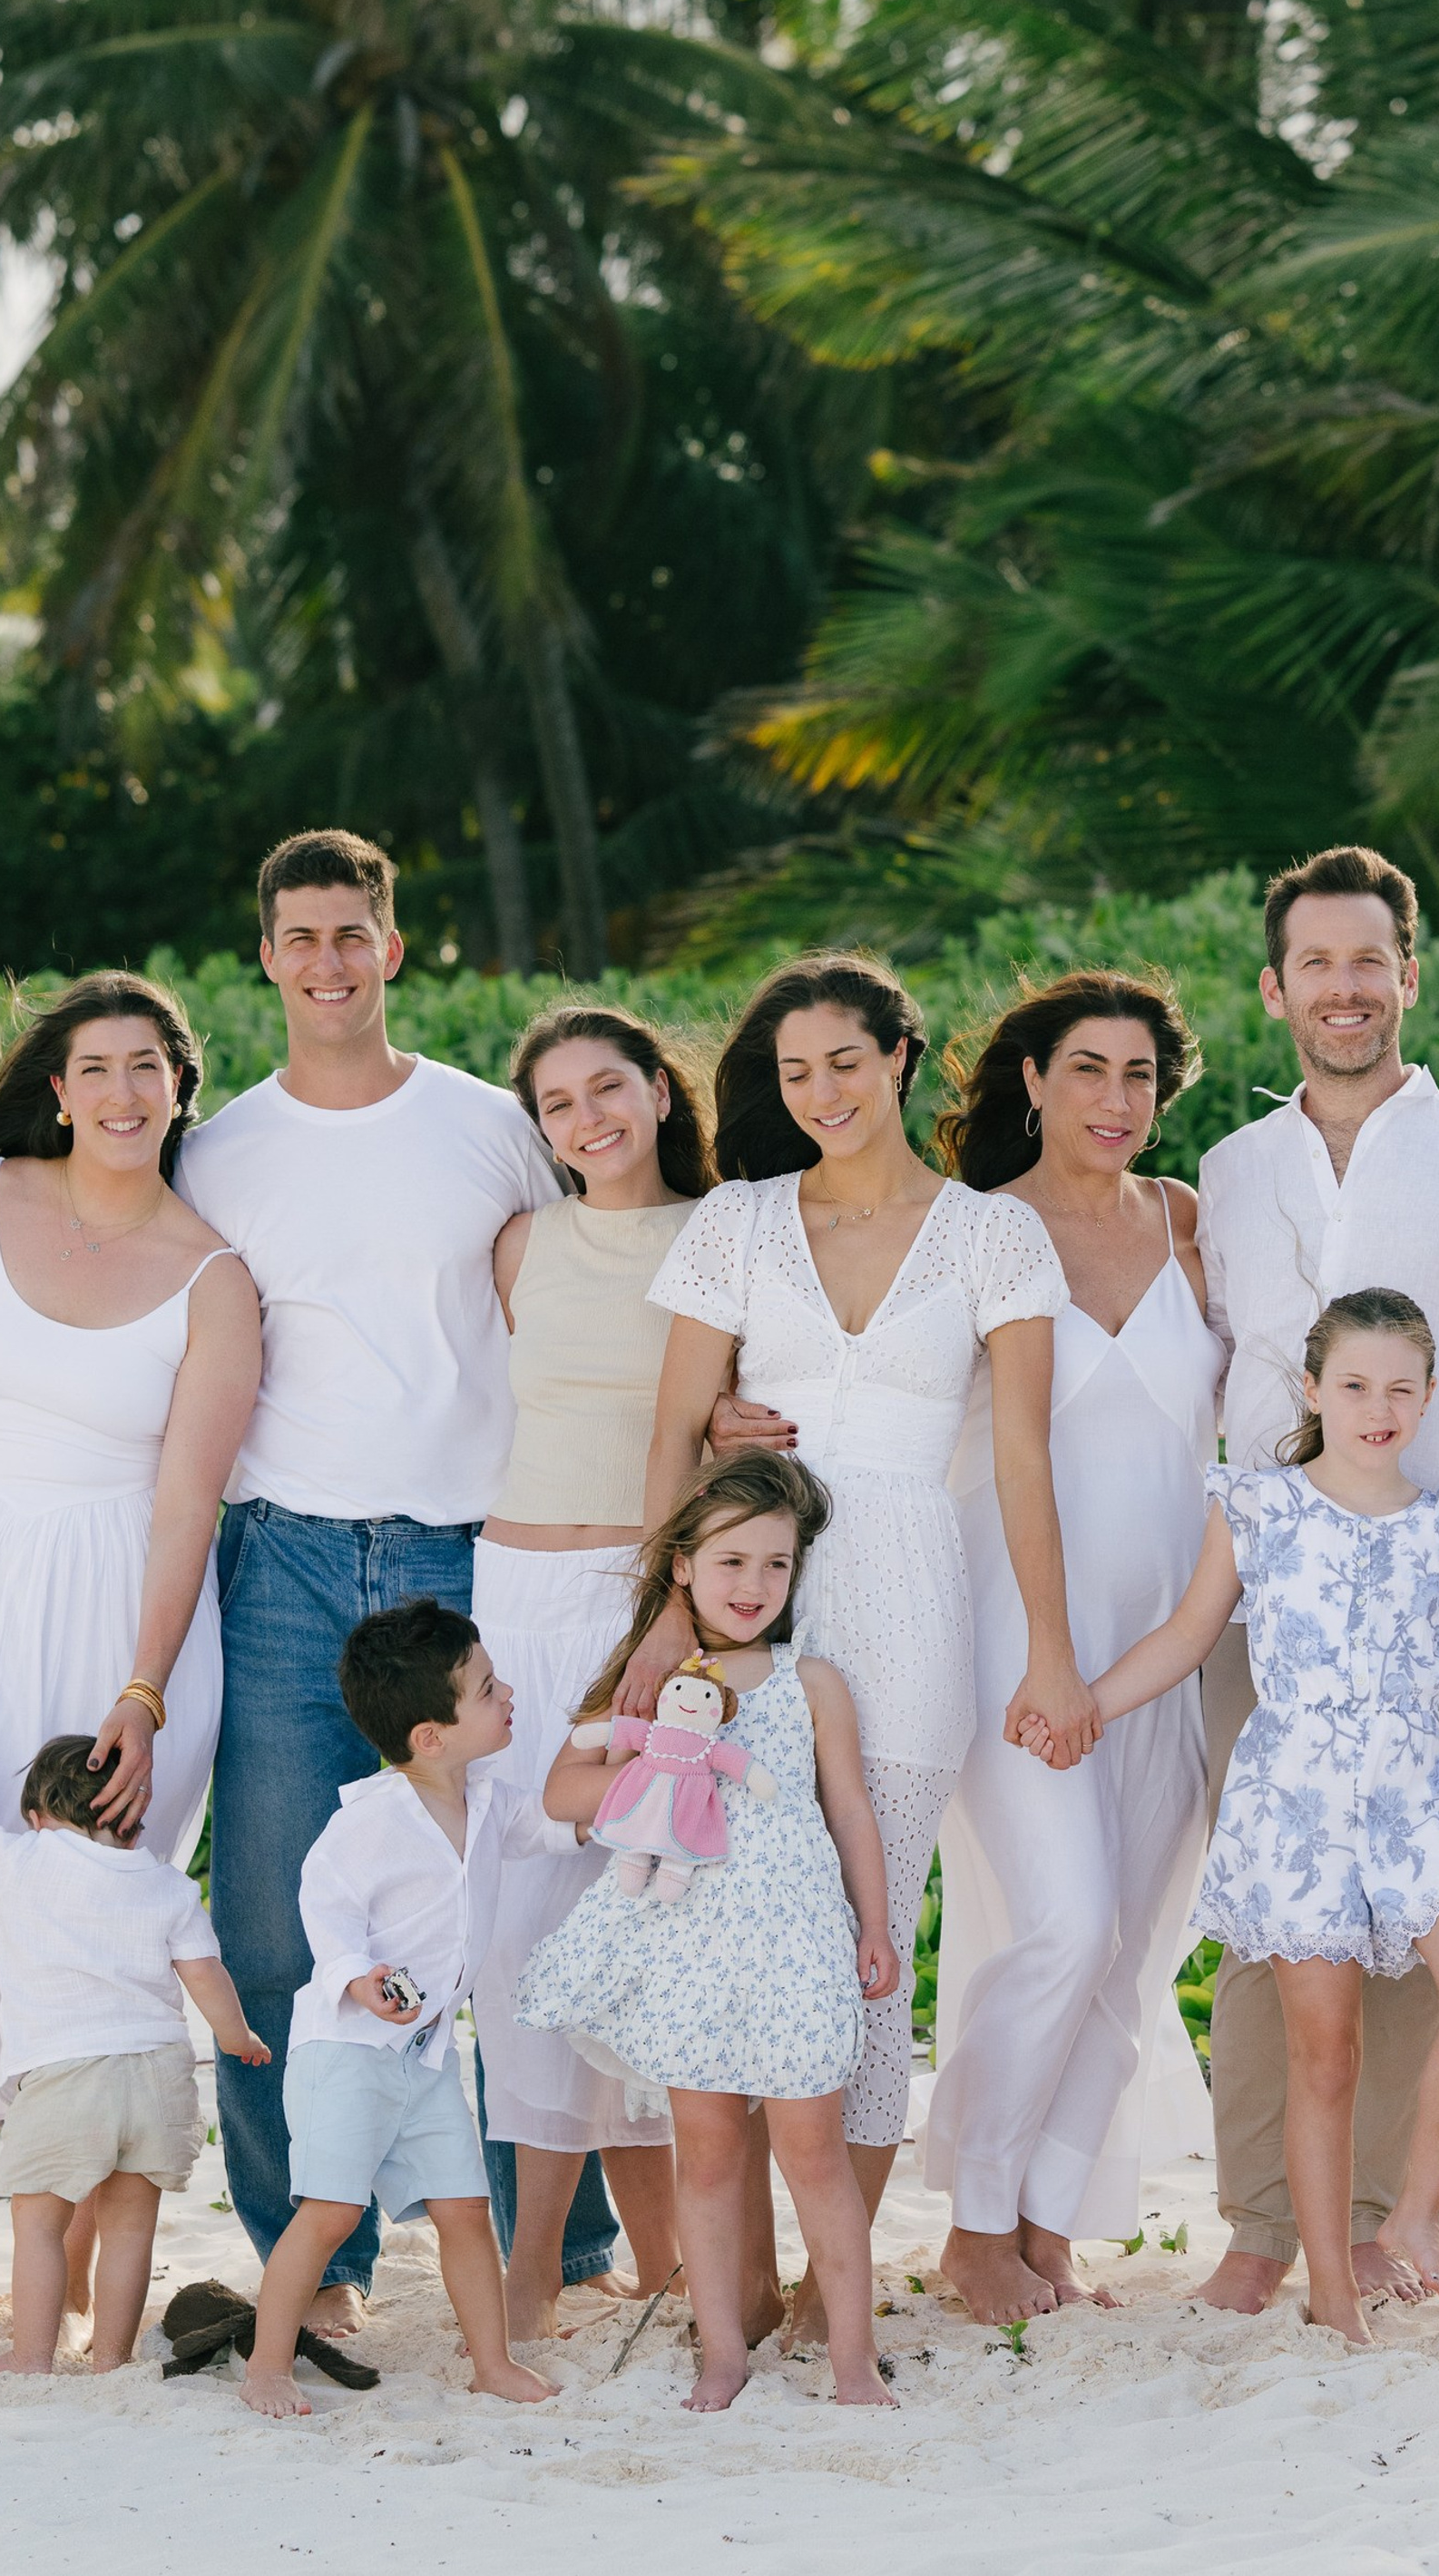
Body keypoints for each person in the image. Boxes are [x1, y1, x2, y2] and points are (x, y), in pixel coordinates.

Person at [640, 953, 1080, 2326]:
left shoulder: (993, 1237)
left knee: (865, 1944)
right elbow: (672, 1432)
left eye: (845, 1059)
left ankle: (831, 2279)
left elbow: (1021, 1462)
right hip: (744, 1595)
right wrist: (664, 1630)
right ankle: (741, 2278)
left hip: (903, 1595)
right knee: (724, 1925)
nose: (822, 1090)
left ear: (901, 1056)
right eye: (794, 1071)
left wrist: (1053, 1652)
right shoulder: (734, 1223)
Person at [1189, 847, 1439, 2314]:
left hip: (1438, 1585)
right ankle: (1256, 2224)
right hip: (1265, 1596)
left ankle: (1377, 2218)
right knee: (1273, 1916)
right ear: (1275, 986)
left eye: (1371, 963)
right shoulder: (1228, 1174)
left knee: (1432, 1923)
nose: (1344, 990)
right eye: (1318, 965)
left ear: (1409, 977)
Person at [174, 829, 562, 2334]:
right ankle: (315, 2263)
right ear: (265, 958)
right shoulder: (221, 1150)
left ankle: (549, 2253)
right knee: (278, 1919)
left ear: (395, 949)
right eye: (298, 938)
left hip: (463, 1557)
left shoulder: (486, 1127)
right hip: (280, 1558)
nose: (327, 961)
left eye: (353, 934)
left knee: (506, 1907)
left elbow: (575, 1302)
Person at [0, 973, 259, 2340]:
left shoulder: (215, 1274)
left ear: (178, 1088)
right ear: (57, 1087)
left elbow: (185, 1503)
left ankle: (80, 2278)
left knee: (100, 1948)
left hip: (132, 1632)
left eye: (147, 1066)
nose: (121, 1091)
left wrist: (145, 1690)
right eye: (95, 1067)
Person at [1041, 1289, 1439, 2346]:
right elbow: (1183, 1635)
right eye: (1353, 1385)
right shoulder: (1256, 1507)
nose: (1377, 1406)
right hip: (1293, 1800)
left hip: (1416, 1791)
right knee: (1325, 2051)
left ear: (1432, 1396)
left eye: (1401, 1387)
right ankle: (1333, 2296)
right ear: (1312, 1389)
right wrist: (1088, 1698)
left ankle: (1414, 2211)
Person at [923, 973, 1222, 2319]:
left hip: (1173, 1634)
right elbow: (975, 1432)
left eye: (1141, 1076)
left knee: (1136, 1944)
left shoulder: (1195, 1227)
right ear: (1031, 1081)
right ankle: (974, 2224)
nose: (1117, 1100)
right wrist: (1050, 1652)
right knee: (1061, 1918)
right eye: (1088, 1071)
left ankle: (1046, 2227)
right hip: (1018, 1630)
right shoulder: (975, 1233)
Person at [520, 1453, 897, 2412]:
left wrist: (878, 1923)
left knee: (813, 2150)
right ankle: (721, 2347)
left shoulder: (810, 1679)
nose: (754, 1585)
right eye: (731, 1561)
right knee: (710, 2150)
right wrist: (662, 1777)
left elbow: (849, 1808)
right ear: (681, 1564)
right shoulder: (657, 1683)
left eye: (775, 1563)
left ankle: (852, 2354)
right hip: (691, 1945)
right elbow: (563, 1789)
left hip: (796, 1941)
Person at [468, 1004, 705, 2330]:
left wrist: (673, 1604)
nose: (587, 1119)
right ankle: (537, 2266)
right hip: (517, 1596)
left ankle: (675, 2257)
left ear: (659, 1092)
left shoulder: (725, 1232)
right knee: (521, 1934)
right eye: (557, 1103)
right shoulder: (520, 1244)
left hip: (646, 1594)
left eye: (607, 1088)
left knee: (642, 1919)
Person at [243, 1600, 566, 2419]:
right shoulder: (369, 1821)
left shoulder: (490, 1801)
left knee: (464, 2208)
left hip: (425, 2057)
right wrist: (357, 1976)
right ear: (431, 1735)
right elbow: (326, 1904)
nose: (508, 1695)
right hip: (347, 2054)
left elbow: (561, 1825)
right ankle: (267, 2367)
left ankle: (491, 2363)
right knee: (329, 2211)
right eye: (488, 1689)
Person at [0, 1719, 269, 2375]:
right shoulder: (168, 1885)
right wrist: (236, 2035)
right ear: (131, 1810)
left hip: (64, 2078)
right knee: (131, 2231)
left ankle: (32, 2357)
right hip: (157, 2077)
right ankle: (112, 2357)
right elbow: (205, 1973)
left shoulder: (28, 1860)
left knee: (40, 2228)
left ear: (38, 1816)